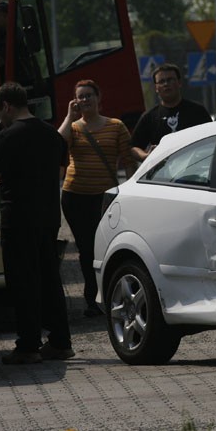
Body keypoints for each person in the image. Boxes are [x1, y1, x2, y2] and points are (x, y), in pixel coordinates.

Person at [0, 82, 74, 364]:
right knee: (49, 281)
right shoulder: (50, 134)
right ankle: (60, 342)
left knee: (23, 284)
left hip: (18, 219)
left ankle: (28, 347)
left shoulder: (8, 136)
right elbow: (59, 170)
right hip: (48, 218)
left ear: (7, 105)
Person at [59, 79, 136, 318]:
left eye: (89, 95)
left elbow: (128, 159)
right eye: (80, 96)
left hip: (104, 198)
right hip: (74, 197)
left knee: (105, 247)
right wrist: (68, 118)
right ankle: (91, 299)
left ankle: (109, 294)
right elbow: (57, 144)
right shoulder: (72, 127)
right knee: (85, 248)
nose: (85, 100)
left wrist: (132, 192)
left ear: (98, 98)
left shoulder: (116, 126)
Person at [130, 63, 212, 163]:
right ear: (156, 88)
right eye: (161, 81)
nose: (166, 84)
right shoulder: (150, 116)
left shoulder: (198, 111)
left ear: (179, 83)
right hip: (162, 175)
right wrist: (146, 157)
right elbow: (134, 147)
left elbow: (211, 141)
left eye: (170, 80)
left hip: (195, 170)